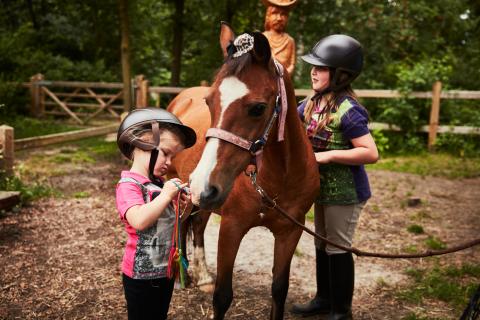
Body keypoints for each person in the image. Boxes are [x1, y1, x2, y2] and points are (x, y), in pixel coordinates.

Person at [291, 35, 379, 320]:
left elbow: (370, 153)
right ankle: (323, 299)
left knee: (337, 246)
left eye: (321, 68)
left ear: (340, 75)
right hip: (322, 190)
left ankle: (342, 310)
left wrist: (327, 156)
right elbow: (290, 123)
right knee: (320, 243)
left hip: (347, 193)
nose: (313, 72)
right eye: (313, 67)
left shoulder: (349, 111)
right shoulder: (311, 104)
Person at [115, 107, 197, 320]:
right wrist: (166, 196)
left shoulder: (160, 185)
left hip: (165, 270)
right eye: (166, 153)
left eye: (173, 156)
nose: (170, 162)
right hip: (140, 276)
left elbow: (173, 222)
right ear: (142, 144)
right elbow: (140, 220)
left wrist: (185, 205)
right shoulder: (128, 185)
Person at [262, 0, 297, 75]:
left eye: (283, 14)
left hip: (284, 80)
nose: (279, 18)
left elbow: (292, 64)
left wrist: (284, 75)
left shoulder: (290, 41)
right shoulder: (262, 38)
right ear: (268, 16)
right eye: (275, 13)